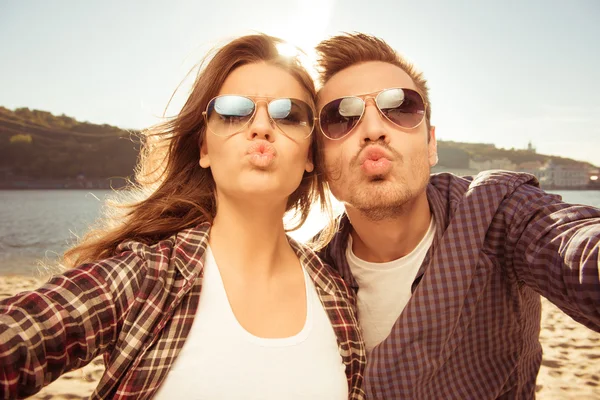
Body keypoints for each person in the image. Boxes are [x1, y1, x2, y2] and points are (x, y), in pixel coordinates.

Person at [0, 34, 365, 400]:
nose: (262, 127)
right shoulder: (147, 277)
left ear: (309, 155)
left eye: (289, 114)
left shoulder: (337, 297)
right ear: (204, 147)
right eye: (234, 111)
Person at [313, 32, 600, 399]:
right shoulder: (310, 277)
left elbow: (571, 243)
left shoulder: (498, 213)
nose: (373, 130)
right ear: (319, 161)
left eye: (401, 108)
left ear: (431, 144)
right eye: (341, 116)